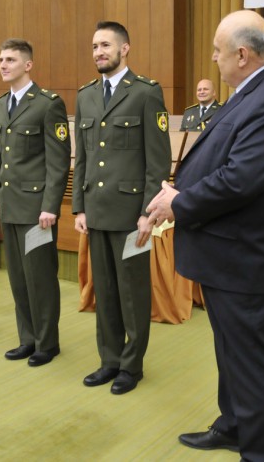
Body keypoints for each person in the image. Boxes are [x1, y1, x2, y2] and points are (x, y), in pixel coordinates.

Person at [146, 10, 264, 461]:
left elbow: (241, 179)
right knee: (231, 352)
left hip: (249, 260)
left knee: (251, 360)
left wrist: (180, 202)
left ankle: (259, 453)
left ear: (242, 55)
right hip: (231, 256)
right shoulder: (255, 91)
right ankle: (235, 425)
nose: (213, 59)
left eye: (218, 52)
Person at [72, 21, 171, 395]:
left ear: (124, 48)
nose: (98, 52)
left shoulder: (145, 92)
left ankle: (131, 366)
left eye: (105, 45)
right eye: (94, 46)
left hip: (132, 215)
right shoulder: (86, 96)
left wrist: (148, 213)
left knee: (132, 294)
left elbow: (157, 161)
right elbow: (83, 157)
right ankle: (109, 360)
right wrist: (79, 207)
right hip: (96, 212)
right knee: (106, 292)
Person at [0, 39, 70, 366]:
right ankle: (28, 339)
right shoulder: (0, 105)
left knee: (40, 279)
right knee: (19, 279)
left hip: (37, 211)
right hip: (10, 206)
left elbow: (58, 162)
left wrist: (50, 206)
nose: (3, 65)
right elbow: (0, 159)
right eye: (1, 60)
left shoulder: (47, 104)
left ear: (28, 64)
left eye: (10, 59)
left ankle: (47, 343)